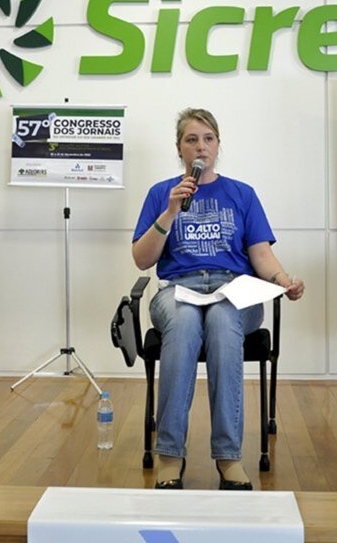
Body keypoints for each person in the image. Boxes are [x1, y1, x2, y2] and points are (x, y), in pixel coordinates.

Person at [132, 108, 305, 490]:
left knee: (223, 321)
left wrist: (283, 280)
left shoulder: (242, 194)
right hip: (179, 287)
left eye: (208, 138)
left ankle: (228, 457)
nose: (201, 146)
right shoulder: (162, 194)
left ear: (218, 145)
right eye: (192, 139)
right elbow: (143, 259)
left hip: (233, 287)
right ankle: (170, 455)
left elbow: (261, 255)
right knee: (185, 322)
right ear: (179, 149)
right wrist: (171, 212)